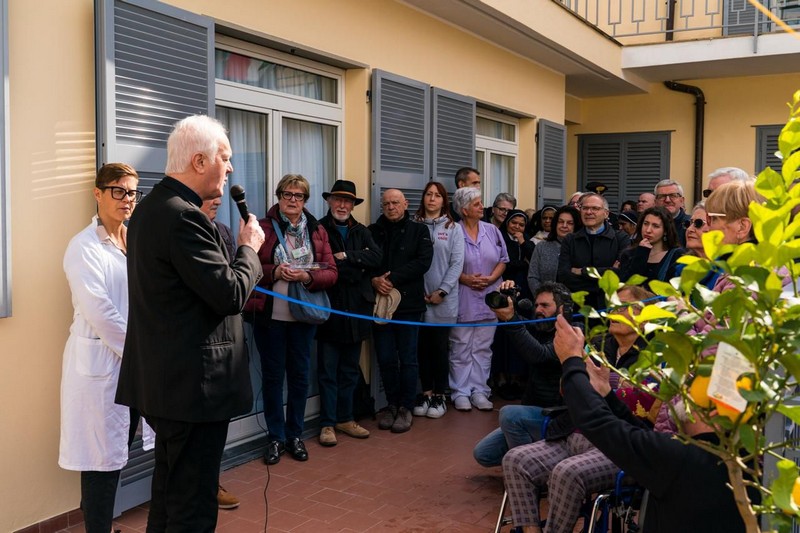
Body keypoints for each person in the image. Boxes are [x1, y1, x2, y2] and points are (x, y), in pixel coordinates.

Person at [116, 115, 265, 532]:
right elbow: (230, 294)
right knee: (193, 507)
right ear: (199, 161)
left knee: (168, 495)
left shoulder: (150, 209)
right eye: (225, 157)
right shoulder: (184, 218)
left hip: (168, 385)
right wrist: (249, 249)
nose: (230, 168)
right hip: (192, 391)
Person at [551, 314, 752, 532]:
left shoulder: (682, 458)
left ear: (712, 411)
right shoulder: (735, 460)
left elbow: (599, 424)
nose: (680, 392)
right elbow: (639, 436)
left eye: (691, 388)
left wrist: (571, 361)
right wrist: (606, 393)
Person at [502, 286, 655, 533]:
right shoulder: (597, 344)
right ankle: (530, 530)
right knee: (515, 459)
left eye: (625, 306)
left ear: (646, 315)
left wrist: (605, 388)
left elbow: (643, 410)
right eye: (614, 305)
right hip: (574, 432)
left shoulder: (654, 356)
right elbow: (568, 389)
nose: (615, 311)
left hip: (617, 445)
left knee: (566, 472)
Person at [60, 163, 142, 533]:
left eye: (132, 192)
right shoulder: (83, 247)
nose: (127, 200)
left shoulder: (134, 240)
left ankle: (102, 525)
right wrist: (143, 353)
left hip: (134, 363)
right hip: (104, 367)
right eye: (118, 191)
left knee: (118, 451)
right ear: (98, 194)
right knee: (100, 462)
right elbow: (101, 312)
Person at [249, 174, 338, 465]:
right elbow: (248, 265)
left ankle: (295, 435)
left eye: (298, 195)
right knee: (273, 379)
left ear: (305, 200)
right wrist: (274, 272)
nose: (292, 200)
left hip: (304, 317)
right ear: (278, 196)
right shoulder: (262, 228)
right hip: (270, 317)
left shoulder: (317, 230)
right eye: (287, 194)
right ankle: (275, 437)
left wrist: (306, 276)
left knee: (299, 378)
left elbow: (331, 272)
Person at [473, 281, 570, 468]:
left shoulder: (572, 332)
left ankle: (529, 470)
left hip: (558, 417)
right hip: (534, 411)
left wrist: (511, 320)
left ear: (562, 309)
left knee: (509, 414)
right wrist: (508, 295)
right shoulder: (540, 327)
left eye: (545, 306)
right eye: (536, 305)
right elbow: (522, 331)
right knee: (483, 454)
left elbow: (539, 355)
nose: (538, 310)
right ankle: (542, 455)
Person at [315, 180, 381, 447]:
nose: (343, 205)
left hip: (357, 311)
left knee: (350, 370)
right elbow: (321, 265)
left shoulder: (362, 231)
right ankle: (327, 424)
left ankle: (346, 418)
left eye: (348, 201)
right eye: (338, 200)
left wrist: (346, 257)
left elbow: (376, 257)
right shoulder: (318, 228)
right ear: (329, 201)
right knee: (327, 371)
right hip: (330, 309)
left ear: (353, 205)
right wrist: (355, 263)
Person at [370, 189, 433, 433]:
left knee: (408, 359)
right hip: (380, 305)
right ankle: (392, 405)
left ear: (405, 204)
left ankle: (407, 407)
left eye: (396, 202)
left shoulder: (420, 231)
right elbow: (366, 262)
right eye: (386, 203)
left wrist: (392, 278)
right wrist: (375, 280)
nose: (391, 207)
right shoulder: (372, 231)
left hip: (409, 306)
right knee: (385, 358)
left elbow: (423, 262)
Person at [198, 197, 242, 510]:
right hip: (195, 345)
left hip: (225, 337)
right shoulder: (185, 231)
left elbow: (236, 278)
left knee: (213, 429)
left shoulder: (224, 231)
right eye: (208, 195)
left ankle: (211, 481)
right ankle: (203, 487)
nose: (216, 200)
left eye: (218, 196)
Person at [450, 187, 508, 411]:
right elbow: (446, 263)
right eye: (476, 204)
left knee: (483, 347)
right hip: (463, 294)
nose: (481, 207)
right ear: (464, 210)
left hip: (489, 295)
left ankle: (480, 390)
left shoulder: (492, 230)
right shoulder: (454, 230)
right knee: (460, 346)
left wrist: (492, 277)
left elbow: (503, 259)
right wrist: (464, 279)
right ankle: (460, 391)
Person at [412, 181, 465, 419]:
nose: (432, 199)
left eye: (437, 195)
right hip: (418, 297)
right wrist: (420, 291)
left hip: (444, 298)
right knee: (421, 348)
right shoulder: (414, 224)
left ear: (445, 200)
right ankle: (426, 392)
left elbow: (457, 263)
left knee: (440, 348)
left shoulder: (454, 228)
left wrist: (441, 291)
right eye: (428, 194)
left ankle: (440, 396)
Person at [557, 193, 630, 309]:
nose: (589, 212)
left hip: (610, 308)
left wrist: (583, 272)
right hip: (578, 308)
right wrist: (605, 277)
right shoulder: (570, 240)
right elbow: (564, 276)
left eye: (595, 208)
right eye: (585, 208)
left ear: (606, 213)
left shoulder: (621, 239)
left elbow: (621, 274)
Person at [617, 206, 685, 286]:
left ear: (665, 231)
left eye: (655, 226)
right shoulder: (629, 254)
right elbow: (627, 284)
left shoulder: (676, 255)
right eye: (646, 224)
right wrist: (641, 254)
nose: (648, 230)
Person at [527, 206, 581, 295]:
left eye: (570, 223)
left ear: (576, 226)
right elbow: (533, 277)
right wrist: (543, 298)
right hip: (544, 303)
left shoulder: (582, 248)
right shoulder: (541, 247)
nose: (564, 226)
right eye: (560, 222)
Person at [654, 179, 690, 246]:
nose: (667, 200)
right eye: (662, 196)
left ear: (682, 200)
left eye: (673, 195)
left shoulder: (691, 225)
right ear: (655, 202)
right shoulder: (648, 226)